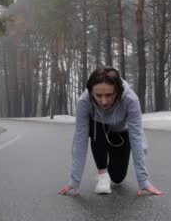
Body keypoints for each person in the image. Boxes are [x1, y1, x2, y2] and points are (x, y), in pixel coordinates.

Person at [58, 66, 163, 197]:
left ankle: (111, 173)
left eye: (109, 95)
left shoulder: (130, 100)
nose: (103, 101)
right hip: (99, 131)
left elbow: (137, 137)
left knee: (118, 178)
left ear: (117, 91)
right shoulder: (84, 101)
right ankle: (102, 174)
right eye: (98, 95)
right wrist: (75, 180)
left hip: (121, 134)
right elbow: (80, 139)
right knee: (97, 125)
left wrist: (143, 181)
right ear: (91, 92)